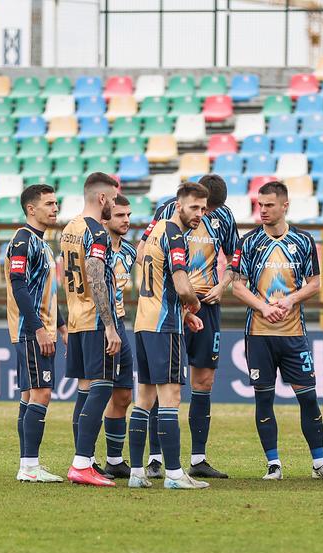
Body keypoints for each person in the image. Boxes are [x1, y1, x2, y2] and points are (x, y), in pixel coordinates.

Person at [229, 181, 323, 482]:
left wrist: (292, 298)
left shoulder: (304, 241)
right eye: (260, 205)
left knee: (308, 398)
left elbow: (315, 283)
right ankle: (273, 464)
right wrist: (263, 307)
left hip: (294, 334)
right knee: (263, 399)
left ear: (285, 206)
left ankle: (319, 462)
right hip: (259, 334)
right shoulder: (249, 242)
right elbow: (237, 285)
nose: (263, 210)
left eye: (269, 205)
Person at [152, 173, 239, 479]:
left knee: (204, 381)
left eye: (211, 210)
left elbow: (235, 257)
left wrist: (224, 284)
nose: (206, 215)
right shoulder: (166, 211)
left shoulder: (225, 216)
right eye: (203, 208)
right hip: (172, 307)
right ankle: (154, 458)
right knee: (162, 382)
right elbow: (147, 252)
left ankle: (198, 458)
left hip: (208, 305)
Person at [130, 181, 209, 489]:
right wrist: (193, 303)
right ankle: (175, 474)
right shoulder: (175, 235)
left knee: (144, 399)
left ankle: (137, 473)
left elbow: (141, 258)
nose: (199, 214)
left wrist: (183, 311)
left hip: (143, 323)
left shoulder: (157, 230)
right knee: (170, 398)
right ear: (179, 206)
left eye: (203, 209)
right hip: (164, 327)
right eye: (194, 207)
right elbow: (181, 283)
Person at [60, 172, 124, 487]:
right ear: (102, 199)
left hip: (76, 319)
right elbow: (97, 278)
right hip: (95, 320)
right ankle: (82, 463)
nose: (114, 204)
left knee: (84, 392)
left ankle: (84, 461)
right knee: (102, 388)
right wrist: (110, 326)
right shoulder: (96, 232)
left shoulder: (69, 228)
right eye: (113, 198)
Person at [8, 183, 64, 482]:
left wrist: (63, 324)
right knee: (41, 393)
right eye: (49, 204)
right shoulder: (22, 240)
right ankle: (29, 466)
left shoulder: (43, 243)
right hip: (31, 330)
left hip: (41, 328)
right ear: (32, 209)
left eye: (56, 203)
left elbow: (48, 290)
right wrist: (39, 328)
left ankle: (28, 463)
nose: (55, 208)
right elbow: (19, 285)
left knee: (31, 394)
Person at [99, 194, 141, 476]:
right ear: (105, 220)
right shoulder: (97, 251)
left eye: (128, 215)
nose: (126, 220)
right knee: (95, 392)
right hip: (99, 325)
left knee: (124, 394)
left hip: (121, 323)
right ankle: (85, 460)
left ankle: (114, 461)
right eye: (119, 216)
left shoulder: (129, 251)